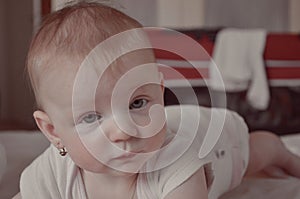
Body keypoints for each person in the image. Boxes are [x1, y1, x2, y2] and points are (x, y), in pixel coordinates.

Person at [14, 2, 300, 199]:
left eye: (138, 103)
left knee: (253, 155)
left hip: (217, 140)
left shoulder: (178, 163)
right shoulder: (54, 170)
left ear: (159, 92)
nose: (123, 130)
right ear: (53, 132)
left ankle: (277, 150)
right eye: (91, 117)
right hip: (178, 122)